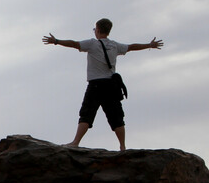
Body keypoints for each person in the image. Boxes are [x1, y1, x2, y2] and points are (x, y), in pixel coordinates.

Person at [42, 18, 163, 151]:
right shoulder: (114, 45)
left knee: (87, 113)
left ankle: (75, 142)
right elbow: (132, 47)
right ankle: (122, 146)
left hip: (95, 85)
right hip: (111, 86)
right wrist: (149, 45)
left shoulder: (92, 44)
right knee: (116, 116)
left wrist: (56, 41)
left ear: (98, 30)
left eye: (95, 29)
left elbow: (74, 44)